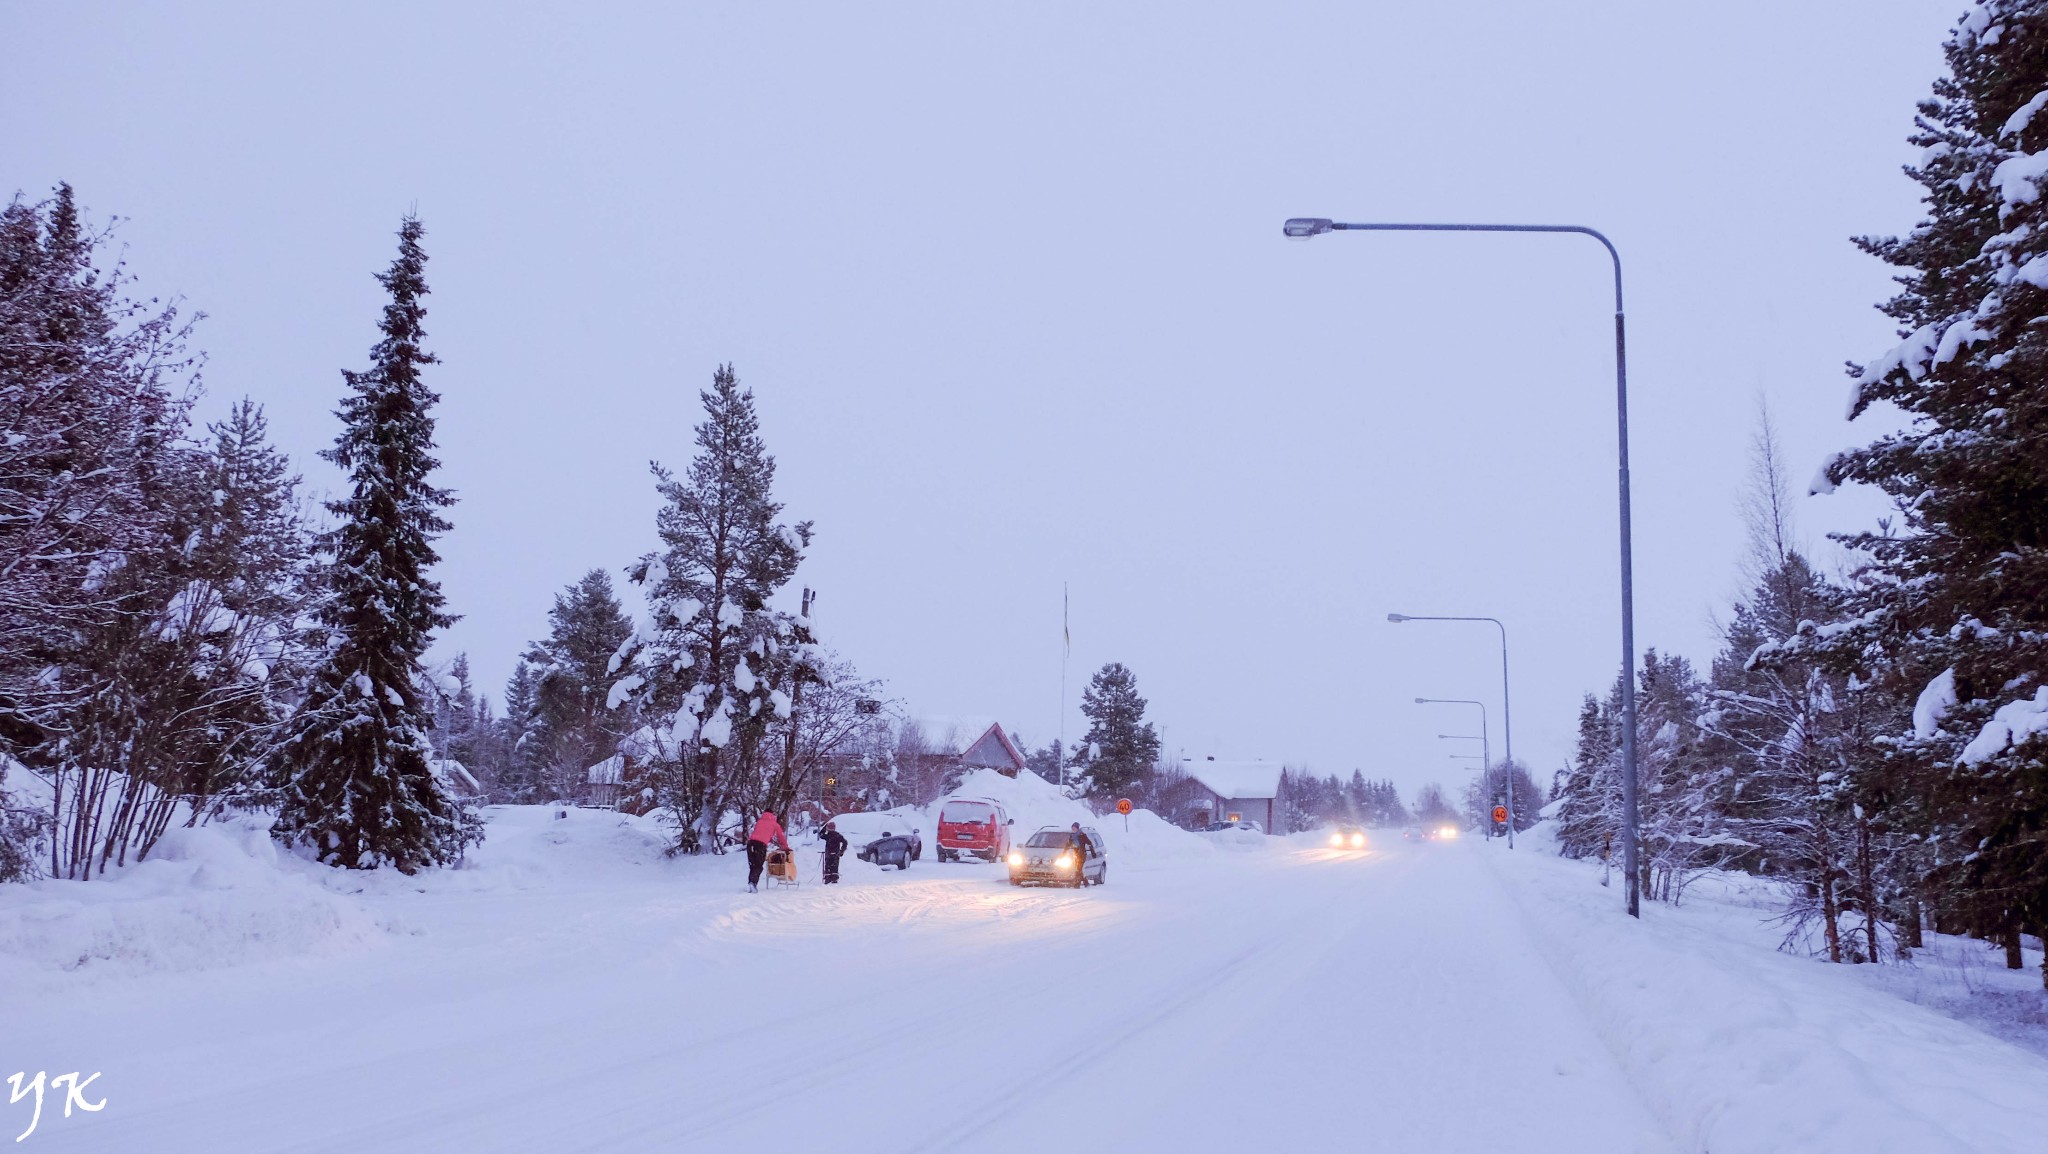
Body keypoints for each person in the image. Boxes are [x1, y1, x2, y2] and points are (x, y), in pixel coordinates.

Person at [746, 808, 788, 892]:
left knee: (753, 865)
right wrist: (785, 847)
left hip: (750, 844)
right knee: (758, 865)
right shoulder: (774, 824)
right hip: (761, 845)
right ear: (772, 814)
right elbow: (781, 837)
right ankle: (753, 883)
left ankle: (751, 883)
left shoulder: (759, 822)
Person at [820, 820, 849, 885]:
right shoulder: (838, 835)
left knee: (828, 866)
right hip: (836, 854)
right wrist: (842, 851)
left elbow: (820, 834)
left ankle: (827, 879)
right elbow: (845, 842)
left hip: (828, 854)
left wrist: (824, 827)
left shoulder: (827, 835)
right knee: (835, 866)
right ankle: (834, 879)